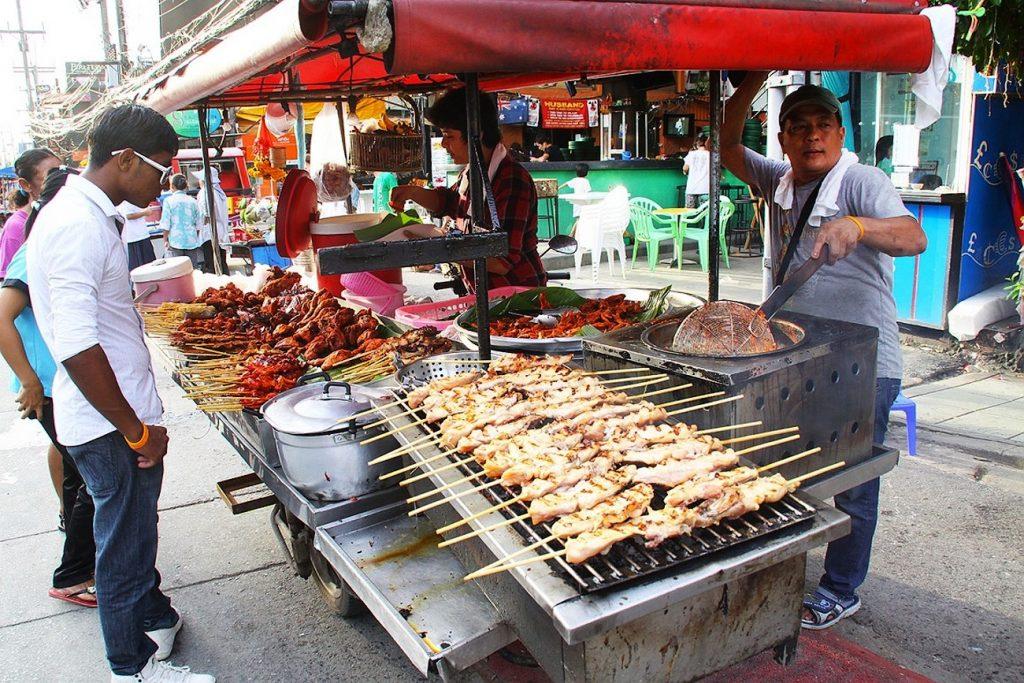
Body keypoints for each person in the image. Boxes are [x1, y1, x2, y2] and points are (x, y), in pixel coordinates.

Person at [722, 74, 926, 631]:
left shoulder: (861, 180)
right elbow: (727, 143)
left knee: (854, 478)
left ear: (839, 133)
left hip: (863, 364)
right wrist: (751, 81)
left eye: (822, 126)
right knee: (784, 468)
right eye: (799, 127)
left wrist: (858, 225)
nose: (812, 137)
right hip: (797, 356)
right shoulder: (778, 179)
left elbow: (914, 237)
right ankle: (785, 567)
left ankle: (841, 587)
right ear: (783, 138)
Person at [26, 104, 215, 682]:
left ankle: (153, 615)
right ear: (125, 159)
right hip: (109, 425)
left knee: (135, 531)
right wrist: (136, 429)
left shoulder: (89, 214)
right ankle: (131, 669)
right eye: (159, 170)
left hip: (111, 414)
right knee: (125, 546)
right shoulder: (77, 224)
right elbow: (79, 346)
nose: (163, 182)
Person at [0, 166, 97, 609]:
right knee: (91, 477)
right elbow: (2, 316)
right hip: (49, 383)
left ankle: (79, 554)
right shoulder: (30, 251)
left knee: (82, 476)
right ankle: (74, 575)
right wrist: (29, 381)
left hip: (61, 382)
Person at [389, 86, 547, 289]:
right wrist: (413, 193)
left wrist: (435, 250)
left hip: (519, 297)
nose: (444, 144)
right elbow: (450, 202)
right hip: (483, 295)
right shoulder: (471, 172)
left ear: (476, 135)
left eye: (449, 136)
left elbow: (501, 261)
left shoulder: (511, 180)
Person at [3, 147, 64, 522]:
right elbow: (4, 311)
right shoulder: (26, 233)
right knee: (69, 454)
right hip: (45, 373)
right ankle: (71, 527)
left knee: (72, 457)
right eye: (50, 173)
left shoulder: (52, 224)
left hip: (62, 369)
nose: (61, 179)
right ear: (26, 185)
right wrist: (29, 380)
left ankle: (75, 528)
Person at [160, 173, 204, 269]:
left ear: (172, 186)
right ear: (186, 186)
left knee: (178, 271)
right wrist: (194, 236)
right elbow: (199, 224)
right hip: (191, 241)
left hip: (175, 241)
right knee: (192, 270)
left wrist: (165, 240)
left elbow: (166, 224)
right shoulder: (193, 201)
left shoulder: (168, 201)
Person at [195, 168, 230, 275]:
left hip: (209, 232)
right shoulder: (219, 192)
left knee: (211, 264)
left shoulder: (205, 192)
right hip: (220, 231)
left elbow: (204, 214)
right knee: (222, 262)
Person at [119, 200, 157, 272]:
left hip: (142, 234)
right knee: (138, 266)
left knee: (150, 264)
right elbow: (129, 216)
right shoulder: (127, 202)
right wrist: (144, 213)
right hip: (134, 237)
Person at [559, 162, 592, 232]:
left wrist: (557, 188)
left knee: (579, 219)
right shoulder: (586, 181)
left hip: (576, 203)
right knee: (580, 220)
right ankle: (571, 234)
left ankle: (574, 235)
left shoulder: (575, 180)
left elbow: (566, 184)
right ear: (586, 173)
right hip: (584, 203)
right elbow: (588, 192)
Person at [683, 135, 710, 208]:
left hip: (691, 188)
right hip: (705, 189)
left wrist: (686, 173)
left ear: (697, 143)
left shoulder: (691, 154)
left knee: (689, 213)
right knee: (705, 214)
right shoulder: (711, 155)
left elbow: (685, 168)